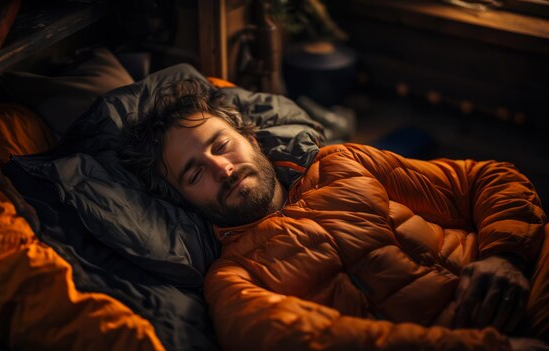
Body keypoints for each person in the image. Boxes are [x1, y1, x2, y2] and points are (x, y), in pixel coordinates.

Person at [120, 78, 549, 350]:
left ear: (250, 137)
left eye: (221, 145)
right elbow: (307, 340)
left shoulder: (342, 162)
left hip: (528, 279)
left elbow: (484, 180)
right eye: (195, 173)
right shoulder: (233, 279)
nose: (222, 168)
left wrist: (505, 256)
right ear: (183, 199)